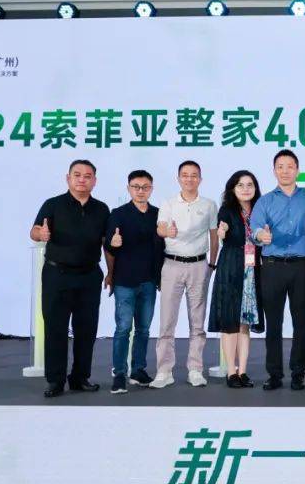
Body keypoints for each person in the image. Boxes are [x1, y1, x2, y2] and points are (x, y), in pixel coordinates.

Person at [31, 159, 110, 398]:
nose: (82, 180)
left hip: (89, 275)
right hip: (58, 275)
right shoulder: (53, 205)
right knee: (55, 328)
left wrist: (111, 272)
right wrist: (41, 233)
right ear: (68, 178)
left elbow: (106, 244)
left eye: (87, 176)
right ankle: (55, 380)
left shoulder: (102, 209)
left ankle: (80, 378)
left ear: (94, 181)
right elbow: (34, 231)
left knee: (87, 329)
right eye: (77, 175)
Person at [250, 149, 305, 390]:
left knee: (301, 322)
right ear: (274, 171)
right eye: (280, 166)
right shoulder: (265, 201)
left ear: (297, 170)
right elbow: (255, 229)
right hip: (272, 267)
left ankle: (298, 373)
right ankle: (274, 374)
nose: (285, 171)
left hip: (300, 266)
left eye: (290, 166)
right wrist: (261, 235)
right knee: (274, 323)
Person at [151, 161, 219, 389]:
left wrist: (212, 264)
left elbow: (213, 236)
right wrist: (166, 231)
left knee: (197, 321)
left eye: (194, 175)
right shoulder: (168, 203)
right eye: (185, 175)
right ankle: (164, 370)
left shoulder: (209, 205)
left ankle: (195, 369)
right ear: (178, 178)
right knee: (167, 321)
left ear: (200, 178)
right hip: (172, 265)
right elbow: (160, 227)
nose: (189, 179)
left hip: (199, 265)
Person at [104, 170, 164, 394]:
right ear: (128, 188)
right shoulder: (118, 214)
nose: (140, 191)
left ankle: (138, 370)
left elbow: (161, 247)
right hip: (125, 281)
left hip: (149, 281)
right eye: (136, 187)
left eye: (145, 187)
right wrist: (113, 244)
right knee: (123, 328)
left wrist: (159, 277)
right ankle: (119, 373)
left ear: (151, 189)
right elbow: (108, 246)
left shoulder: (158, 214)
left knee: (144, 329)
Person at [208, 170, 264, 389]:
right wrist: (222, 232)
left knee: (245, 323)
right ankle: (231, 371)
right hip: (231, 267)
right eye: (240, 185)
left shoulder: (260, 209)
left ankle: (243, 371)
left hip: (253, 270)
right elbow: (223, 230)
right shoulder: (227, 210)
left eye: (250, 185)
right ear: (232, 189)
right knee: (230, 321)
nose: (245, 189)